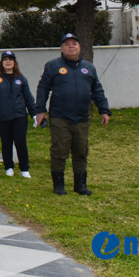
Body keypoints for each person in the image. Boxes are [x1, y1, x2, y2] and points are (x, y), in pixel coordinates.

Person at [35, 33, 112, 196]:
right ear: (62, 48)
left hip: (82, 118)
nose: (71, 46)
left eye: (74, 44)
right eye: (67, 44)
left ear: (79, 47)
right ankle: (59, 185)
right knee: (59, 150)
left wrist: (104, 110)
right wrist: (40, 110)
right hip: (60, 117)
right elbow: (43, 88)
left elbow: (97, 90)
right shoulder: (53, 65)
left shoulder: (88, 67)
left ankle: (80, 185)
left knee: (81, 151)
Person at [0, 50, 36, 178]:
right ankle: (8, 167)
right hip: (2, 116)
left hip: (19, 116)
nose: (8, 62)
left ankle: (24, 168)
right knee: (6, 142)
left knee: (20, 142)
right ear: (2, 62)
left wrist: (34, 114)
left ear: (14, 62)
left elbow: (28, 97)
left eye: (10, 59)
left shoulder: (21, 79)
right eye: (5, 59)